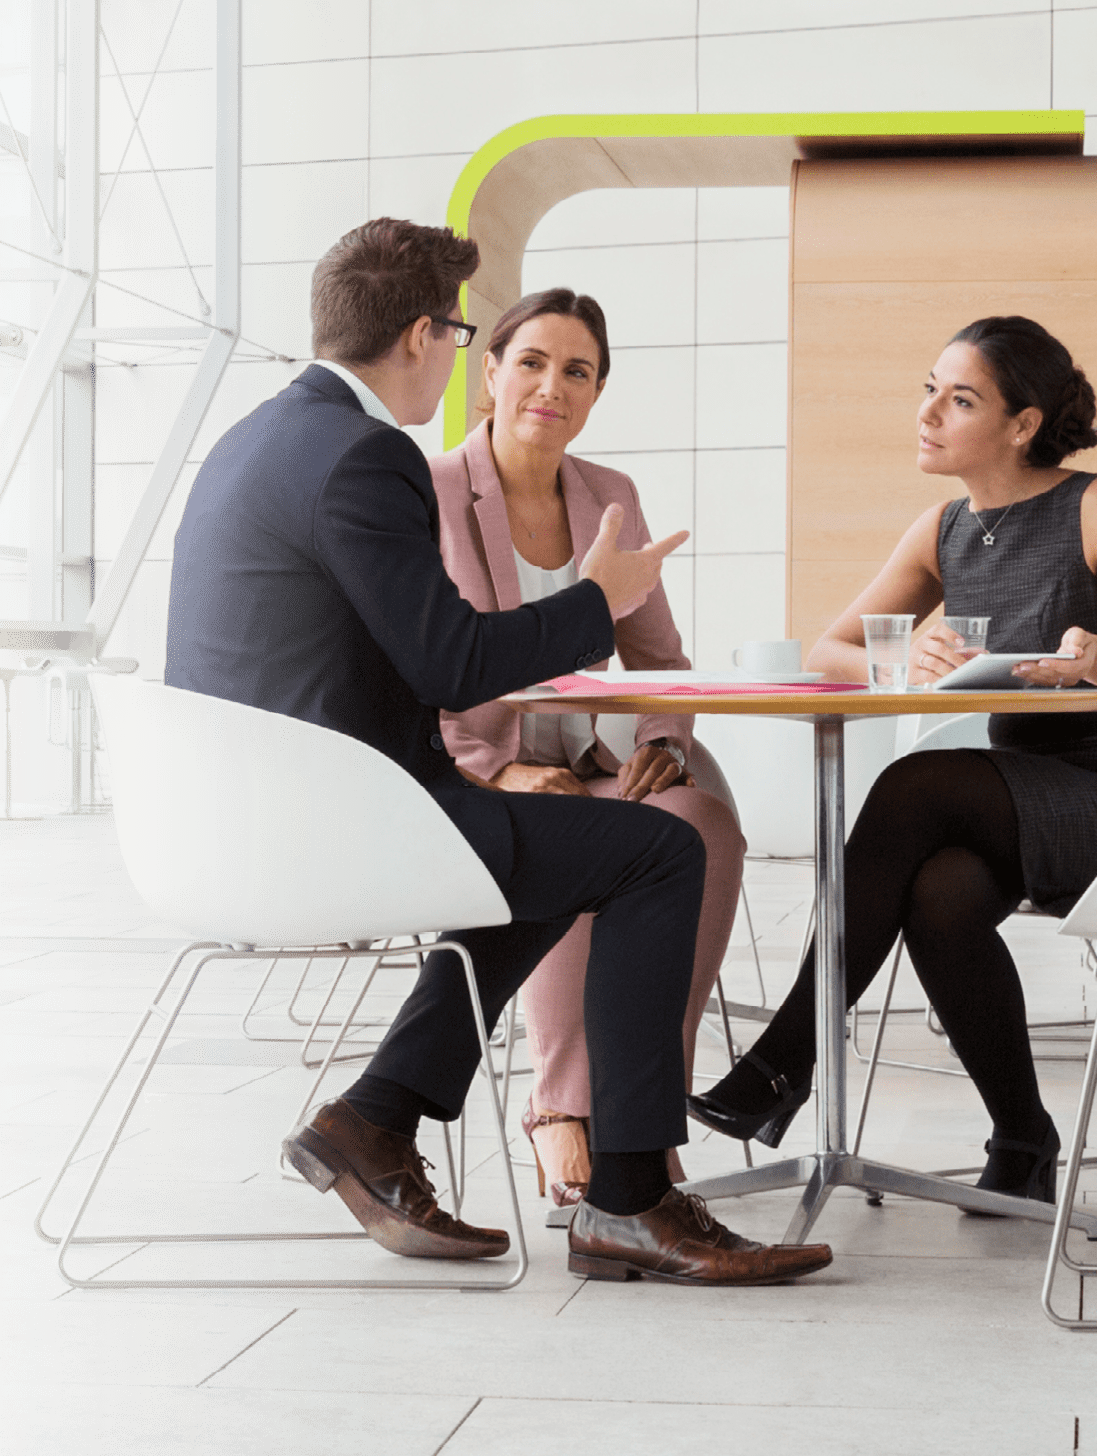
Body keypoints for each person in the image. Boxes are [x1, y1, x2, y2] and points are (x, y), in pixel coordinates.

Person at [165, 218, 831, 1286]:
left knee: (561, 855)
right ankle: (630, 1197)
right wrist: (596, 601)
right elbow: (453, 660)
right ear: (431, 336)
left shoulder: (264, 434)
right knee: (658, 853)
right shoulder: (367, 455)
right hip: (328, 822)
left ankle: (374, 1120)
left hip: (256, 814)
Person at [688, 315, 1097, 1203]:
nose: (929, 413)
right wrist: (907, 657)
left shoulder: (1095, 502)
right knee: (939, 895)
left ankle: (782, 1062)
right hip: (1020, 796)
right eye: (930, 389)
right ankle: (1025, 1145)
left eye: (959, 399)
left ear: (1022, 424)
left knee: (913, 784)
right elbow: (831, 648)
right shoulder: (945, 528)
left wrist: (1090, 656)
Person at [429, 289, 745, 1204]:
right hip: (482, 766)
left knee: (702, 828)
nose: (550, 386)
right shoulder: (435, 491)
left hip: (603, 754)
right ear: (489, 373)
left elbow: (660, 656)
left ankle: (642, 1110)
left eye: (578, 371)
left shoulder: (612, 496)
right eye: (530, 362)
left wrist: (663, 741)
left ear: (598, 392)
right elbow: (414, 664)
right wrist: (496, 767)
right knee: (561, 825)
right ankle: (567, 1111)